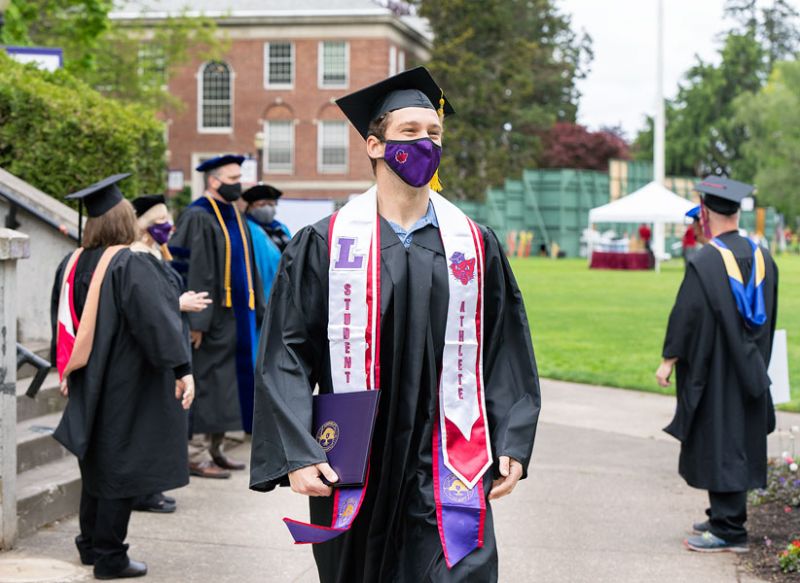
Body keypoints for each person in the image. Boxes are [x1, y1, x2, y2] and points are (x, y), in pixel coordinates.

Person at [249, 67, 541, 583]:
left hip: (447, 452)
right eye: (410, 133)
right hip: (356, 455)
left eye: (434, 134)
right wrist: (297, 450)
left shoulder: (473, 245)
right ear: (375, 145)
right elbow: (286, 352)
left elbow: (503, 345)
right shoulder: (325, 244)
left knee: (459, 572)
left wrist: (512, 439)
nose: (426, 143)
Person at [50, 174, 195, 579]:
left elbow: (58, 320)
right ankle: (110, 556)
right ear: (122, 220)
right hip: (125, 381)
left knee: (94, 465)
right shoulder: (128, 262)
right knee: (120, 468)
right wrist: (181, 368)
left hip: (85, 378)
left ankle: (89, 544)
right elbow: (155, 324)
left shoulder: (72, 262)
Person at [656, 176, 779, 553]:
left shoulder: (706, 260)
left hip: (715, 368)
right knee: (738, 437)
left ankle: (730, 530)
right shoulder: (764, 257)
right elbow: (770, 317)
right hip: (751, 367)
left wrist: (669, 359)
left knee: (720, 439)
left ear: (705, 213)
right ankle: (723, 516)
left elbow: (688, 314)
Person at [169, 155, 264, 478]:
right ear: (214, 181)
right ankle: (194, 453)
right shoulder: (198, 215)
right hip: (209, 321)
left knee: (227, 388)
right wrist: (196, 322)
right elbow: (192, 268)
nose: (240, 182)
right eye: (233, 176)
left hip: (235, 319)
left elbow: (247, 268)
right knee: (206, 385)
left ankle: (215, 449)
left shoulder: (234, 214)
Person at [130, 194, 212, 513]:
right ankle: (144, 491)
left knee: (165, 422)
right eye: (160, 220)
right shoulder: (136, 257)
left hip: (168, 346)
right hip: (154, 355)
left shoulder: (153, 254)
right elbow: (144, 307)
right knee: (152, 423)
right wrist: (178, 304)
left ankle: (153, 488)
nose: (169, 226)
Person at [240, 183, 291, 301]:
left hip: (284, 289)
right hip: (260, 291)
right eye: (262, 204)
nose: (268, 208)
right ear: (251, 206)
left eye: (272, 204)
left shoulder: (281, 228)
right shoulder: (246, 228)